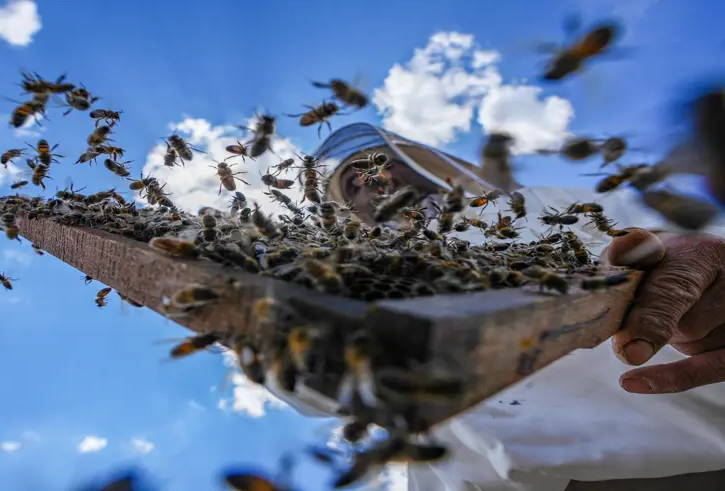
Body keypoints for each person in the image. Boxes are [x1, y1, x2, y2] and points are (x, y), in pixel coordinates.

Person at [264, 123, 725, 491]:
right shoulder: (349, 274)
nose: (381, 178)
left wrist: (696, 255)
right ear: (348, 213)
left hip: (700, 434)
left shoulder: (543, 201)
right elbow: (300, 371)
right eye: (356, 181)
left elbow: (684, 230)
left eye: (385, 163)